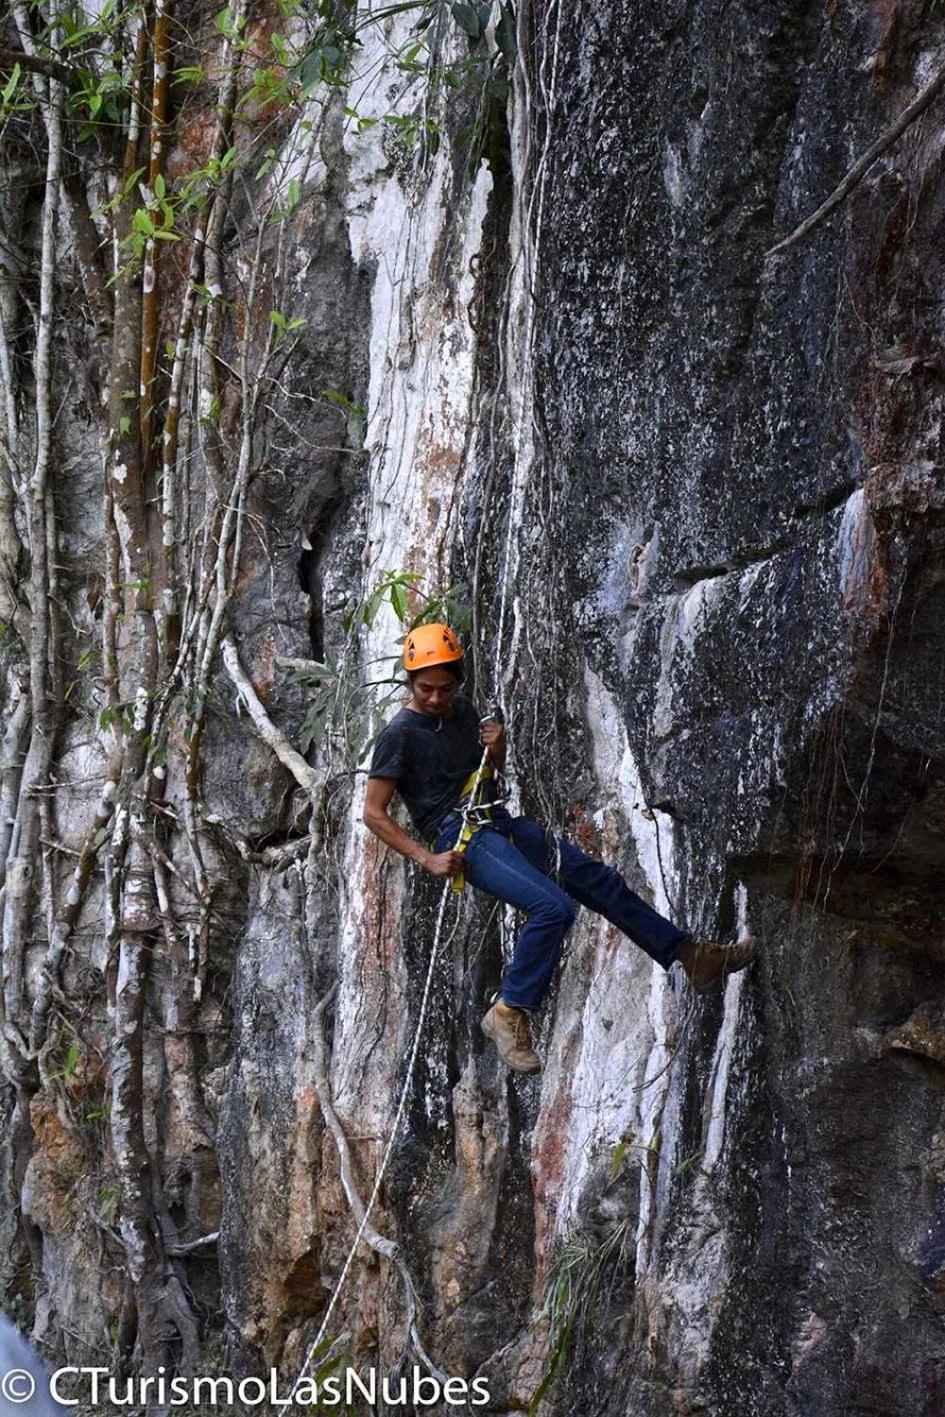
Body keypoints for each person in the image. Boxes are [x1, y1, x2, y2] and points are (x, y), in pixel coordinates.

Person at [363, 624, 756, 1074]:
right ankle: (509, 1011)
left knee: (597, 880)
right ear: (410, 682)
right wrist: (427, 857)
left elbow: (484, 775)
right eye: (425, 689)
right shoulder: (399, 734)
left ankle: (692, 957)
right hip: (462, 837)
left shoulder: (463, 711)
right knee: (552, 908)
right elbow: (374, 813)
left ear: (458, 681)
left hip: (498, 820)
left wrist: (498, 750)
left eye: (445, 688)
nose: (435, 698)